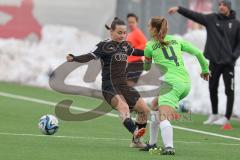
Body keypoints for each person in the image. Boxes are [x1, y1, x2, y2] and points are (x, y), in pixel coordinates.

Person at [66, 17, 150, 148]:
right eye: (119, 32)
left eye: (124, 33)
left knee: (144, 110)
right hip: (109, 86)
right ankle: (135, 132)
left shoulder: (125, 45)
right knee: (124, 108)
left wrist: (153, 52)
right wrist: (74, 58)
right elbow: (90, 55)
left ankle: (135, 142)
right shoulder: (104, 45)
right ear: (111, 32)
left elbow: (137, 51)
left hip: (124, 85)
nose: (122, 35)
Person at [140, 16, 209, 155]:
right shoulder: (177, 40)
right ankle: (152, 143)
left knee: (163, 117)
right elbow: (198, 53)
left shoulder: (149, 46)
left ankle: (169, 147)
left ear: (154, 28)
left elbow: (146, 68)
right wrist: (205, 70)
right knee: (154, 106)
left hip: (169, 85)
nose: (148, 28)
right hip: (185, 83)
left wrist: (146, 62)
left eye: (149, 26)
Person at [168, 0, 240, 125]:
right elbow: (195, 15)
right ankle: (214, 114)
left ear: (229, 7)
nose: (221, 7)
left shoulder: (236, 24)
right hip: (214, 62)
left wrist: (233, 57)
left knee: (230, 90)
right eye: (219, 5)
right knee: (212, 88)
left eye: (224, 5)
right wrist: (179, 9)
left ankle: (227, 117)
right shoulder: (211, 19)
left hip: (228, 63)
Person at [126, 13, 147, 87]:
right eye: (129, 22)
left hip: (137, 63)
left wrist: (134, 50)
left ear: (136, 23)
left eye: (133, 22)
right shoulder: (129, 34)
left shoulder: (137, 32)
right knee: (125, 86)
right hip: (130, 63)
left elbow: (145, 44)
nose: (130, 24)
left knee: (128, 86)